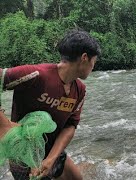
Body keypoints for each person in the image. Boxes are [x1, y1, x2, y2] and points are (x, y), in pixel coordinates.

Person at [0, 29, 101, 179]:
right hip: (24, 156)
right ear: (84, 58)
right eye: (94, 61)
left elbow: (70, 125)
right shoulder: (36, 75)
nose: (93, 66)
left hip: (53, 151)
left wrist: (51, 159)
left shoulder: (79, 90)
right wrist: (3, 123)